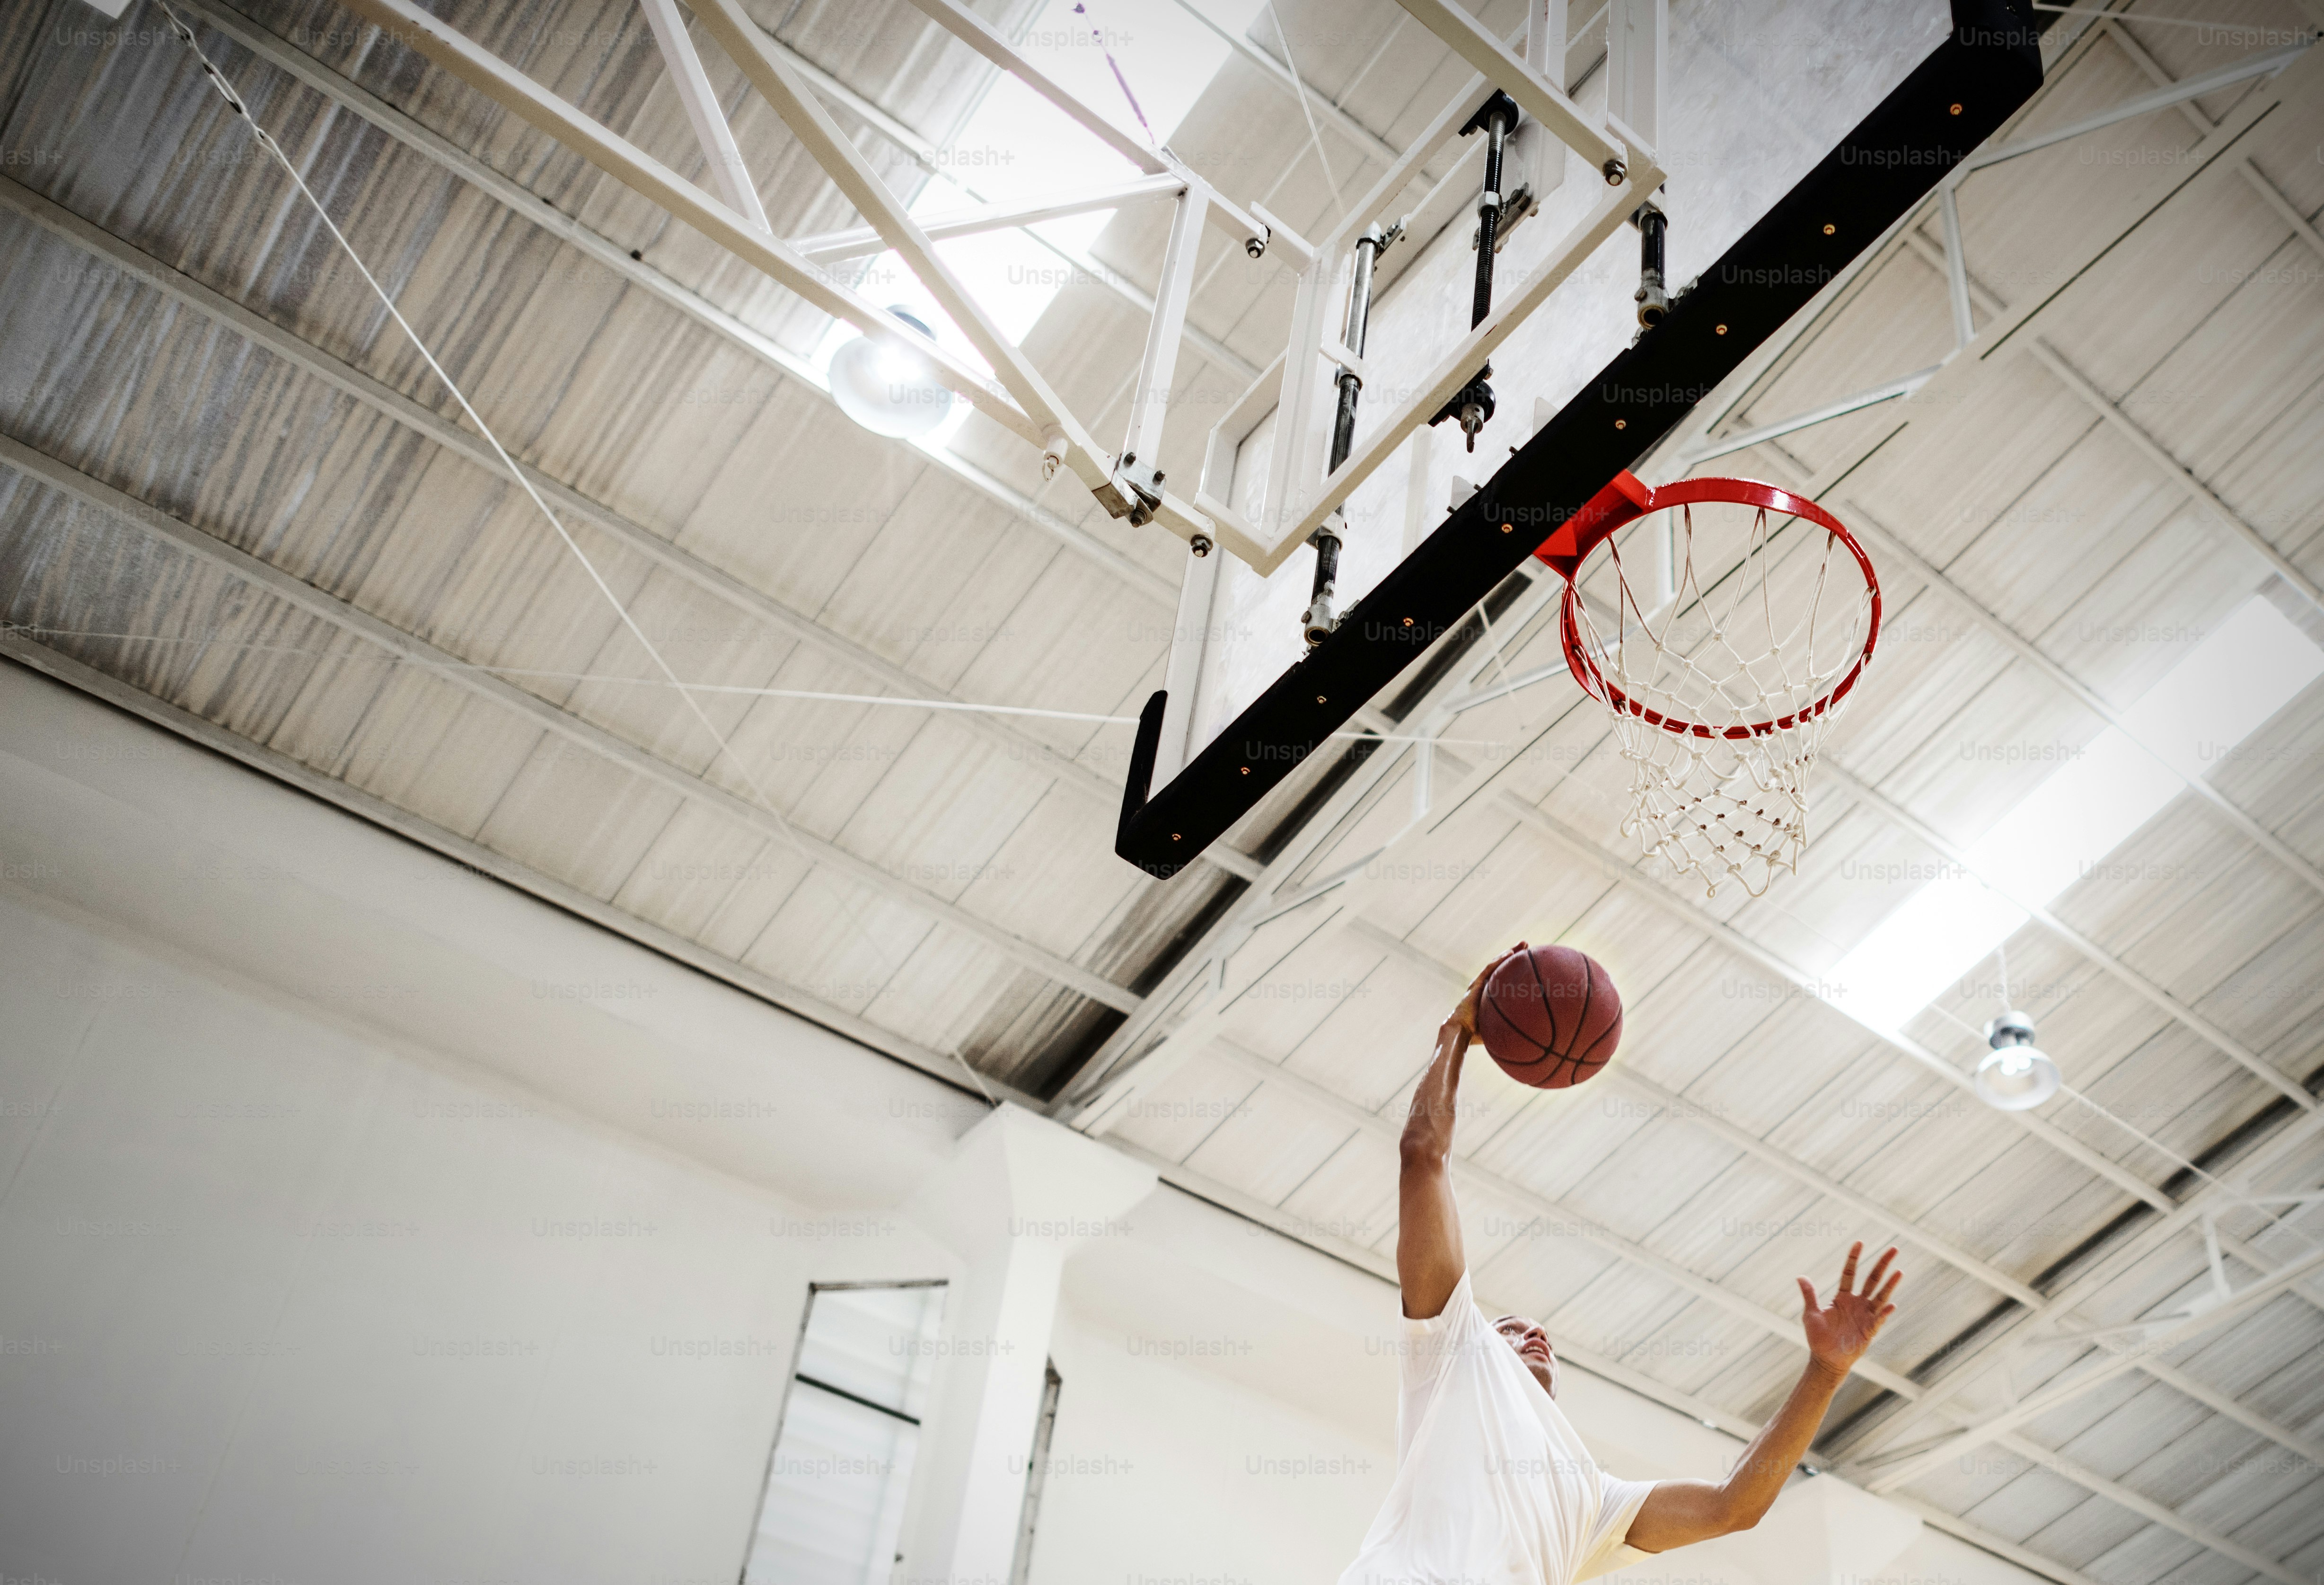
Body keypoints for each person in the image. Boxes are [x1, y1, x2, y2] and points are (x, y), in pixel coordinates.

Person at [1338, 951, 1903, 1585]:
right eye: (1513, 1326)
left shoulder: (1595, 1501)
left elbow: (1731, 1507)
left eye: (1538, 1330)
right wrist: (1457, 1035)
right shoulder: (1452, 1353)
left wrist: (1825, 1372)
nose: (1534, 1332)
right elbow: (1423, 1156)